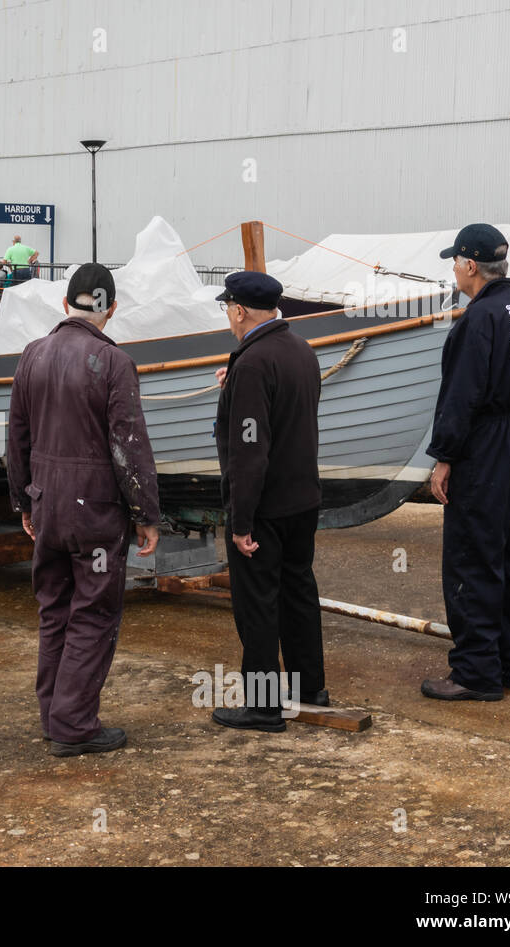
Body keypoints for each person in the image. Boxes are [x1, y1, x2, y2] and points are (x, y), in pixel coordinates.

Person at [8, 263, 161, 757]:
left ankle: (54, 716)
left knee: (54, 610)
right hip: (95, 513)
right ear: (110, 309)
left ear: (65, 303)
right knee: (93, 612)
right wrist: (146, 513)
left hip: (47, 505)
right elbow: (129, 447)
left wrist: (22, 499)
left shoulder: (32, 356)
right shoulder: (113, 362)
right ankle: (74, 725)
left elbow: (16, 439)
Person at [422, 224, 510, 701]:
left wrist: (444, 457)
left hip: (488, 444)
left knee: (473, 558)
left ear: (471, 265)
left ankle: (476, 673)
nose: (453, 269)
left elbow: (461, 395)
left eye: (455, 261)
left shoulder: (478, 319)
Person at [211, 271, 327, 732]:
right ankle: (308, 688)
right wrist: (235, 385)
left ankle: (262, 706)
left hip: (266, 505)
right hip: (303, 498)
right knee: (298, 591)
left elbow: (249, 450)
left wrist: (241, 521)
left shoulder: (254, 363)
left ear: (239, 310)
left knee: (257, 601)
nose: (228, 316)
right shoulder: (301, 351)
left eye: (228, 309)